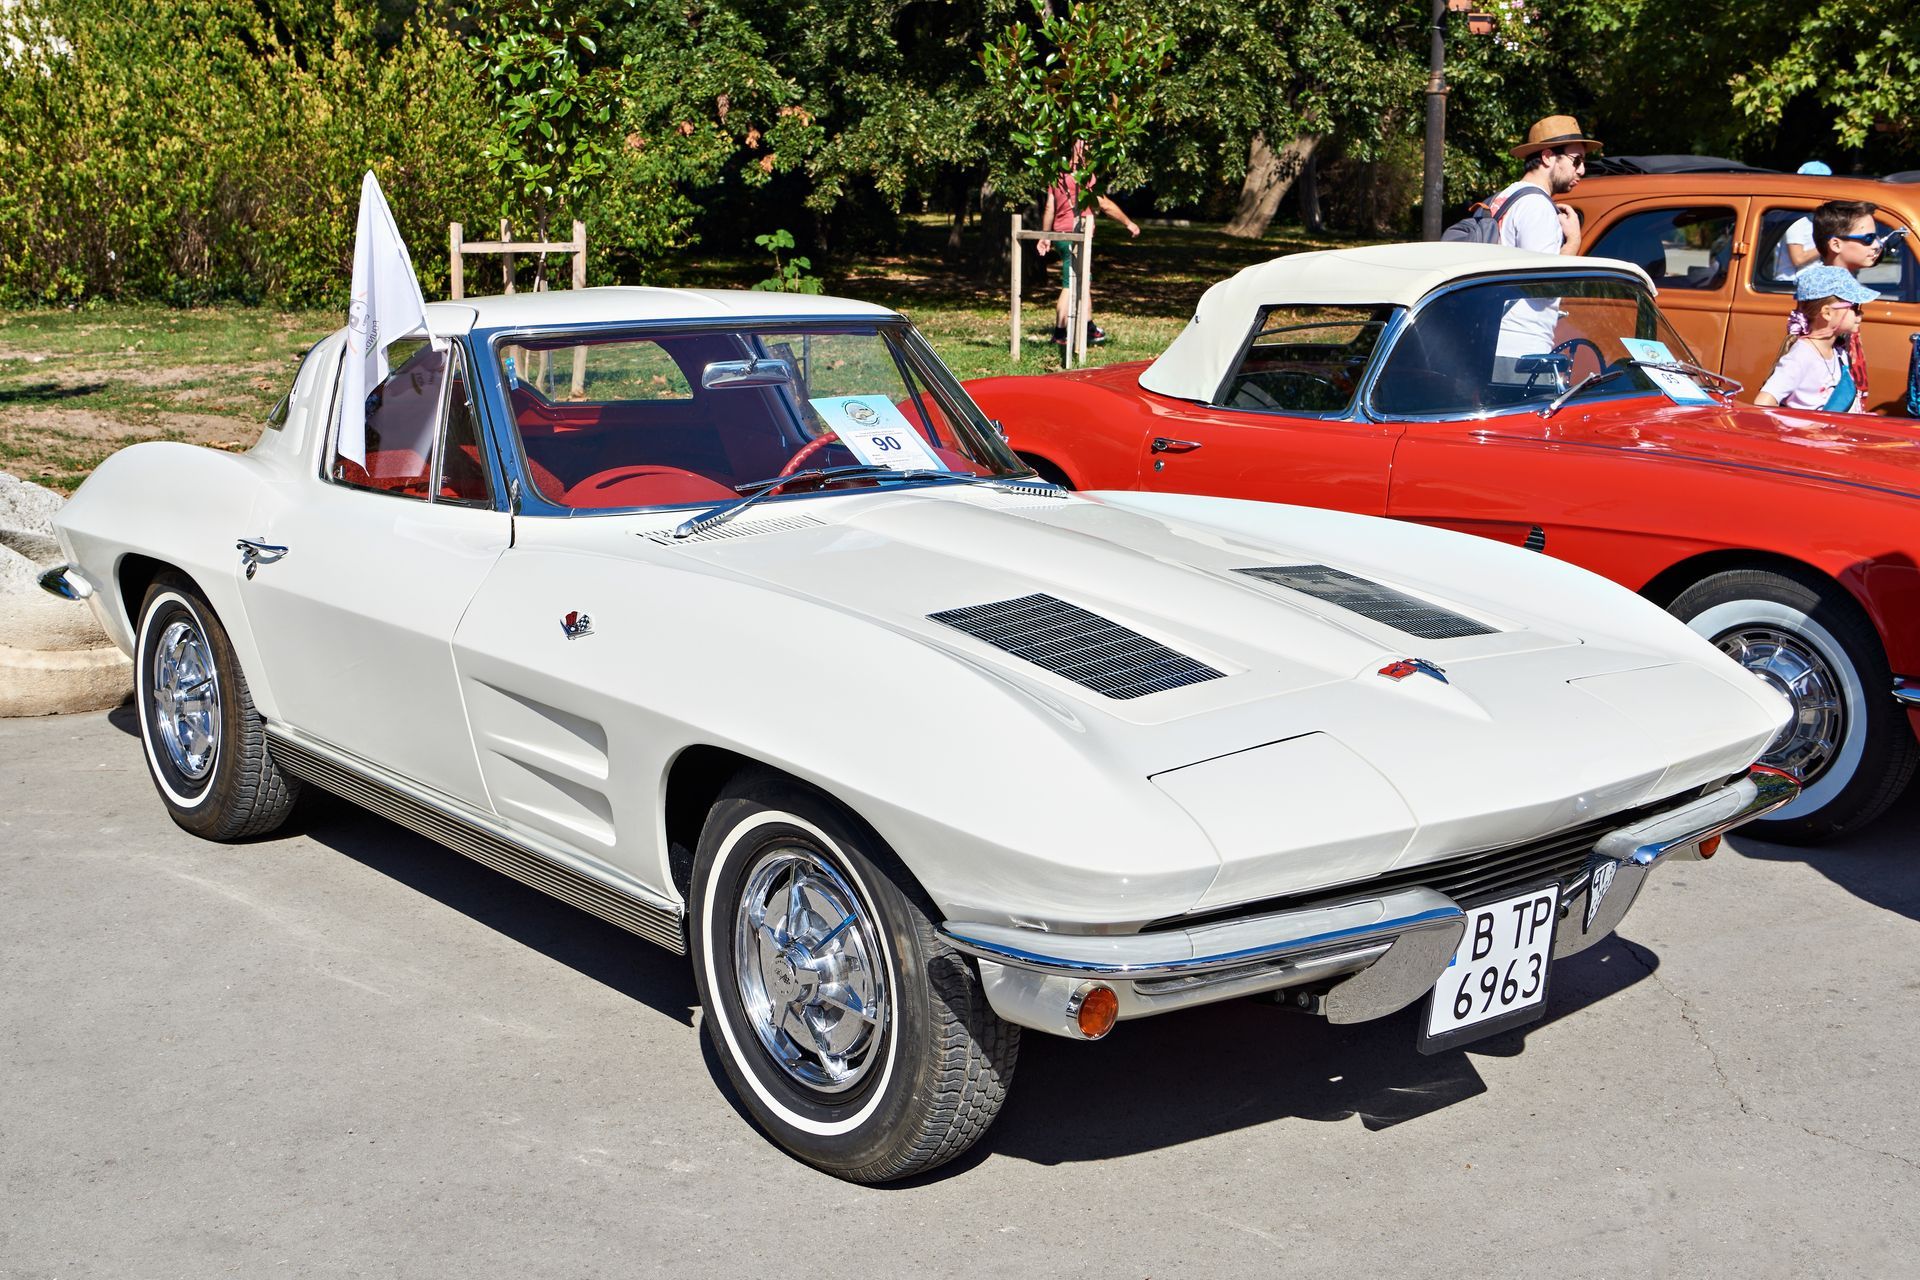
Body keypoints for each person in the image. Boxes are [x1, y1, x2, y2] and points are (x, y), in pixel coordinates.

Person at [1490, 115, 1601, 384]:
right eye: (1576, 160)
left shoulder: (1506, 197)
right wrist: (1573, 240)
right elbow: (1544, 284)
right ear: (1549, 157)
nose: (1582, 170)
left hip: (1497, 344)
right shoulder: (1537, 206)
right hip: (1521, 353)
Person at [1035, 140, 1140, 347]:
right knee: (1070, 283)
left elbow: (1050, 207)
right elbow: (1104, 204)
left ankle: (1089, 327)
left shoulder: (1057, 175)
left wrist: (1046, 236)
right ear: (1080, 151)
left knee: (1083, 280)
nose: (1090, 150)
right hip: (1076, 234)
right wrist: (1128, 223)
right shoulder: (1084, 176)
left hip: (1061, 234)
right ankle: (1060, 332)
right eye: (1087, 147)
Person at [1755, 266, 1878, 412]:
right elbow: (1763, 403)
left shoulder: (1839, 353)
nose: (1861, 313)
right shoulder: (1802, 355)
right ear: (1827, 313)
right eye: (1855, 307)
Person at [1770, 161, 1834, 282]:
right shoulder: (1796, 218)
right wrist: (1829, 245)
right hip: (1790, 286)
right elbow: (1798, 258)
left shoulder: (1812, 217)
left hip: (1807, 284)